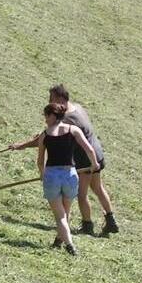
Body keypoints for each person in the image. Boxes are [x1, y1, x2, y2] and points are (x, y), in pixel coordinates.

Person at [11, 84, 120, 236]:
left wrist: (21, 146)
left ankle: (87, 226)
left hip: (85, 158)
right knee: (98, 188)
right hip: (96, 153)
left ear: (61, 99)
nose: (49, 102)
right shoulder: (77, 107)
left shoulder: (67, 120)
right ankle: (111, 221)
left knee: (82, 195)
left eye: (52, 99)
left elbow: (44, 140)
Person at [37, 103, 99, 256]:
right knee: (66, 211)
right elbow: (89, 149)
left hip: (52, 176)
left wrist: (42, 174)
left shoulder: (44, 135)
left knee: (60, 215)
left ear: (52, 116)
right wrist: (94, 164)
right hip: (70, 175)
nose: (45, 120)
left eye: (46, 116)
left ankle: (70, 245)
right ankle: (59, 239)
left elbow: (40, 160)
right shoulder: (73, 130)